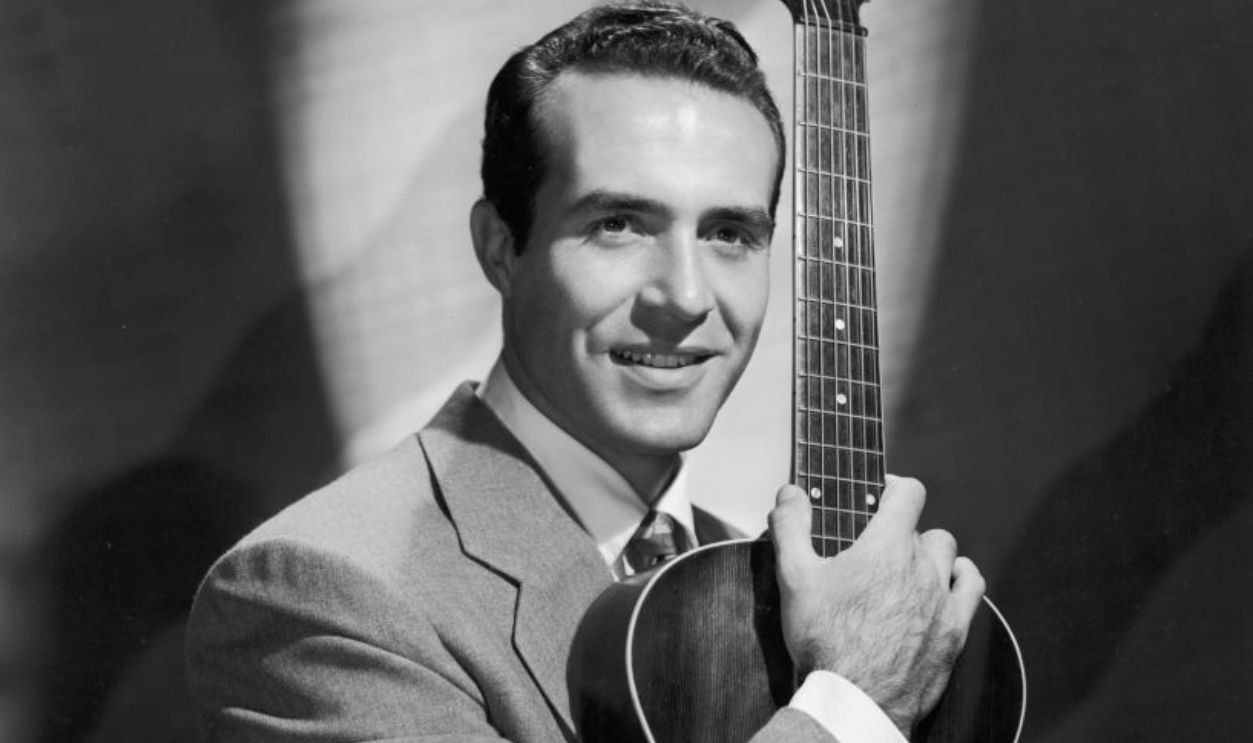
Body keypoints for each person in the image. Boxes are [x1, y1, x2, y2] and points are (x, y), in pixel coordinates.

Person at [186, 3, 985, 741]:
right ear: (502, 248)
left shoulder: (781, 592)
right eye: (618, 224)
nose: (683, 295)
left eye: (730, 234)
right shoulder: (321, 590)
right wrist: (850, 702)